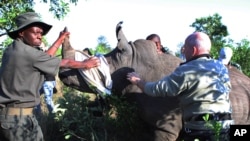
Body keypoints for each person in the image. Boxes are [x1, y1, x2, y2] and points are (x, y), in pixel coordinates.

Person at [0, 12, 100, 141]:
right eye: (35, 32)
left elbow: (44, 58)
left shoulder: (13, 49)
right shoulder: (27, 52)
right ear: (22, 32)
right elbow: (65, 62)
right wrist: (85, 64)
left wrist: (59, 40)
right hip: (17, 122)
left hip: (17, 118)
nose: (39, 36)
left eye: (41, 33)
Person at [127, 32, 233, 141]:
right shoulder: (221, 68)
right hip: (226, 127)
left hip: (200, 130)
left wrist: (138, 81)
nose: (183, 51)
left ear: (194, 50)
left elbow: (157, 89)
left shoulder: (186, 70)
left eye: (185, 48)